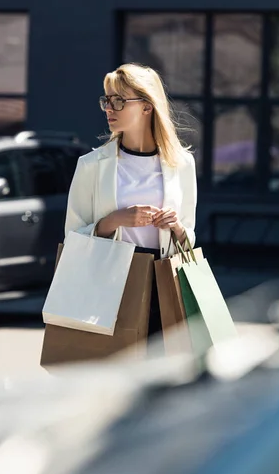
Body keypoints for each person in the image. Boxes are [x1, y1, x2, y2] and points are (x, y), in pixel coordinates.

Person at [64, 63, 197, 338]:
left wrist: (176, 227)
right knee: (109, 374)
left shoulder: (182, 164)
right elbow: (71, 240)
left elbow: (188, 239)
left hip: (164, 281)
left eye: (119, 101)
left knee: (162, 373)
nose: (109, 109)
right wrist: (113, 221)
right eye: (107, 101)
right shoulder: (91, 165)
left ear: (147, 106)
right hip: (108, 283)